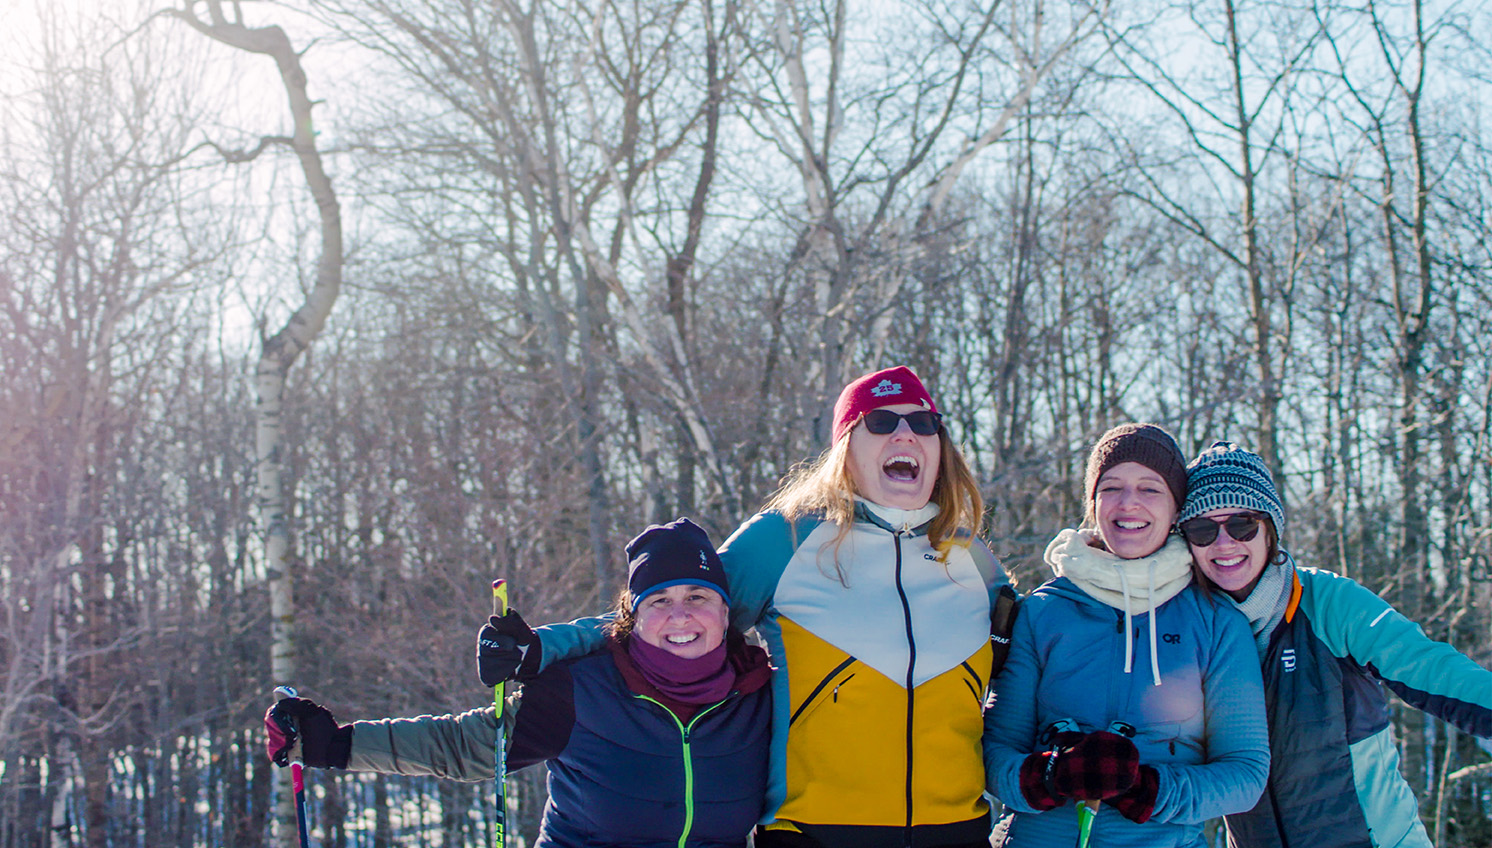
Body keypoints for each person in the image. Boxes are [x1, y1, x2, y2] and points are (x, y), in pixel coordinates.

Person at [483, 366, 1011, 848]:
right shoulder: (786, 540)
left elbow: (1030, 657)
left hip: (957, 830)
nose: (905, 434)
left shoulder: (972, 558)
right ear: (845, 450)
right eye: (881, 421)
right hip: (815, 831)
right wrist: (541, 648)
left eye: (923, 422)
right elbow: (673, 617)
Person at [264, 518, 773, 848]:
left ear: (727, 612)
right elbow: (460, 746)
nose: (681, 617)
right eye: (659, 601)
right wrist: (332, 744)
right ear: (632, 618)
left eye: (699, 597)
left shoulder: (761, 697)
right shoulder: (581, 690)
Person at [1178, 441, 1492, 848]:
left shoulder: (1329, 603)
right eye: (1203, 529)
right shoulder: (1189, 629)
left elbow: (1432, 668)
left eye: (1243, 525)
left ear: (1270, 528)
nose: (1224, 544)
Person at [983, 423, 1269, 847]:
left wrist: (1150, 790)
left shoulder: (1215, 622)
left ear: (1176, 510)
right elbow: (994, 754)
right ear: (1093, 503)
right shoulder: (1043, 612)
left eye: (1150, 489)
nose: (1128, 503)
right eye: (1111, 487)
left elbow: (1245, 773)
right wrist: (1047, 776)